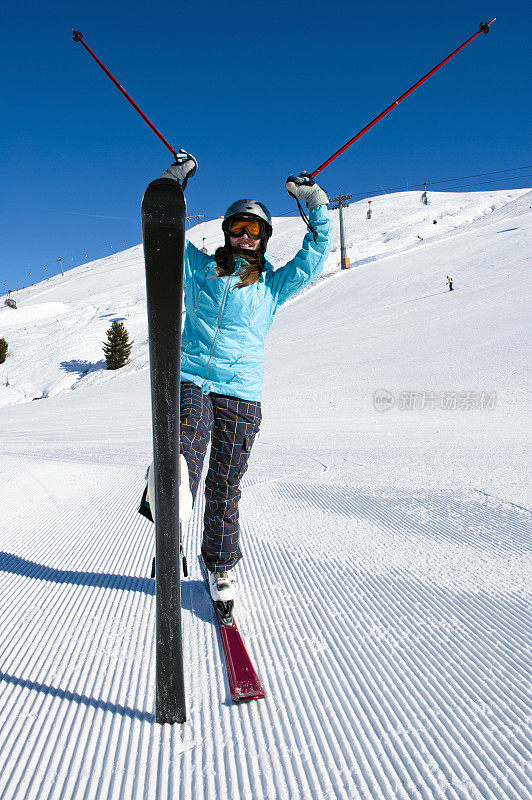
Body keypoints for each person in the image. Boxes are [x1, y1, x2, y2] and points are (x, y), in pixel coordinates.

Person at [140, 150, 331, 613]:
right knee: (187, 443)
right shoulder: (199, 269)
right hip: (192, 381)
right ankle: (172, 488)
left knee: (226, 485)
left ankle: (219, 565)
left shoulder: (272, 285)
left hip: (242, 395)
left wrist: (314, 202)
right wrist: (174, 182)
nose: (246, 237)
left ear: (265, 239)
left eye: (257, 230)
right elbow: (163, 230)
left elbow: (316, 252)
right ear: (226, 232)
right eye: (239, 228)